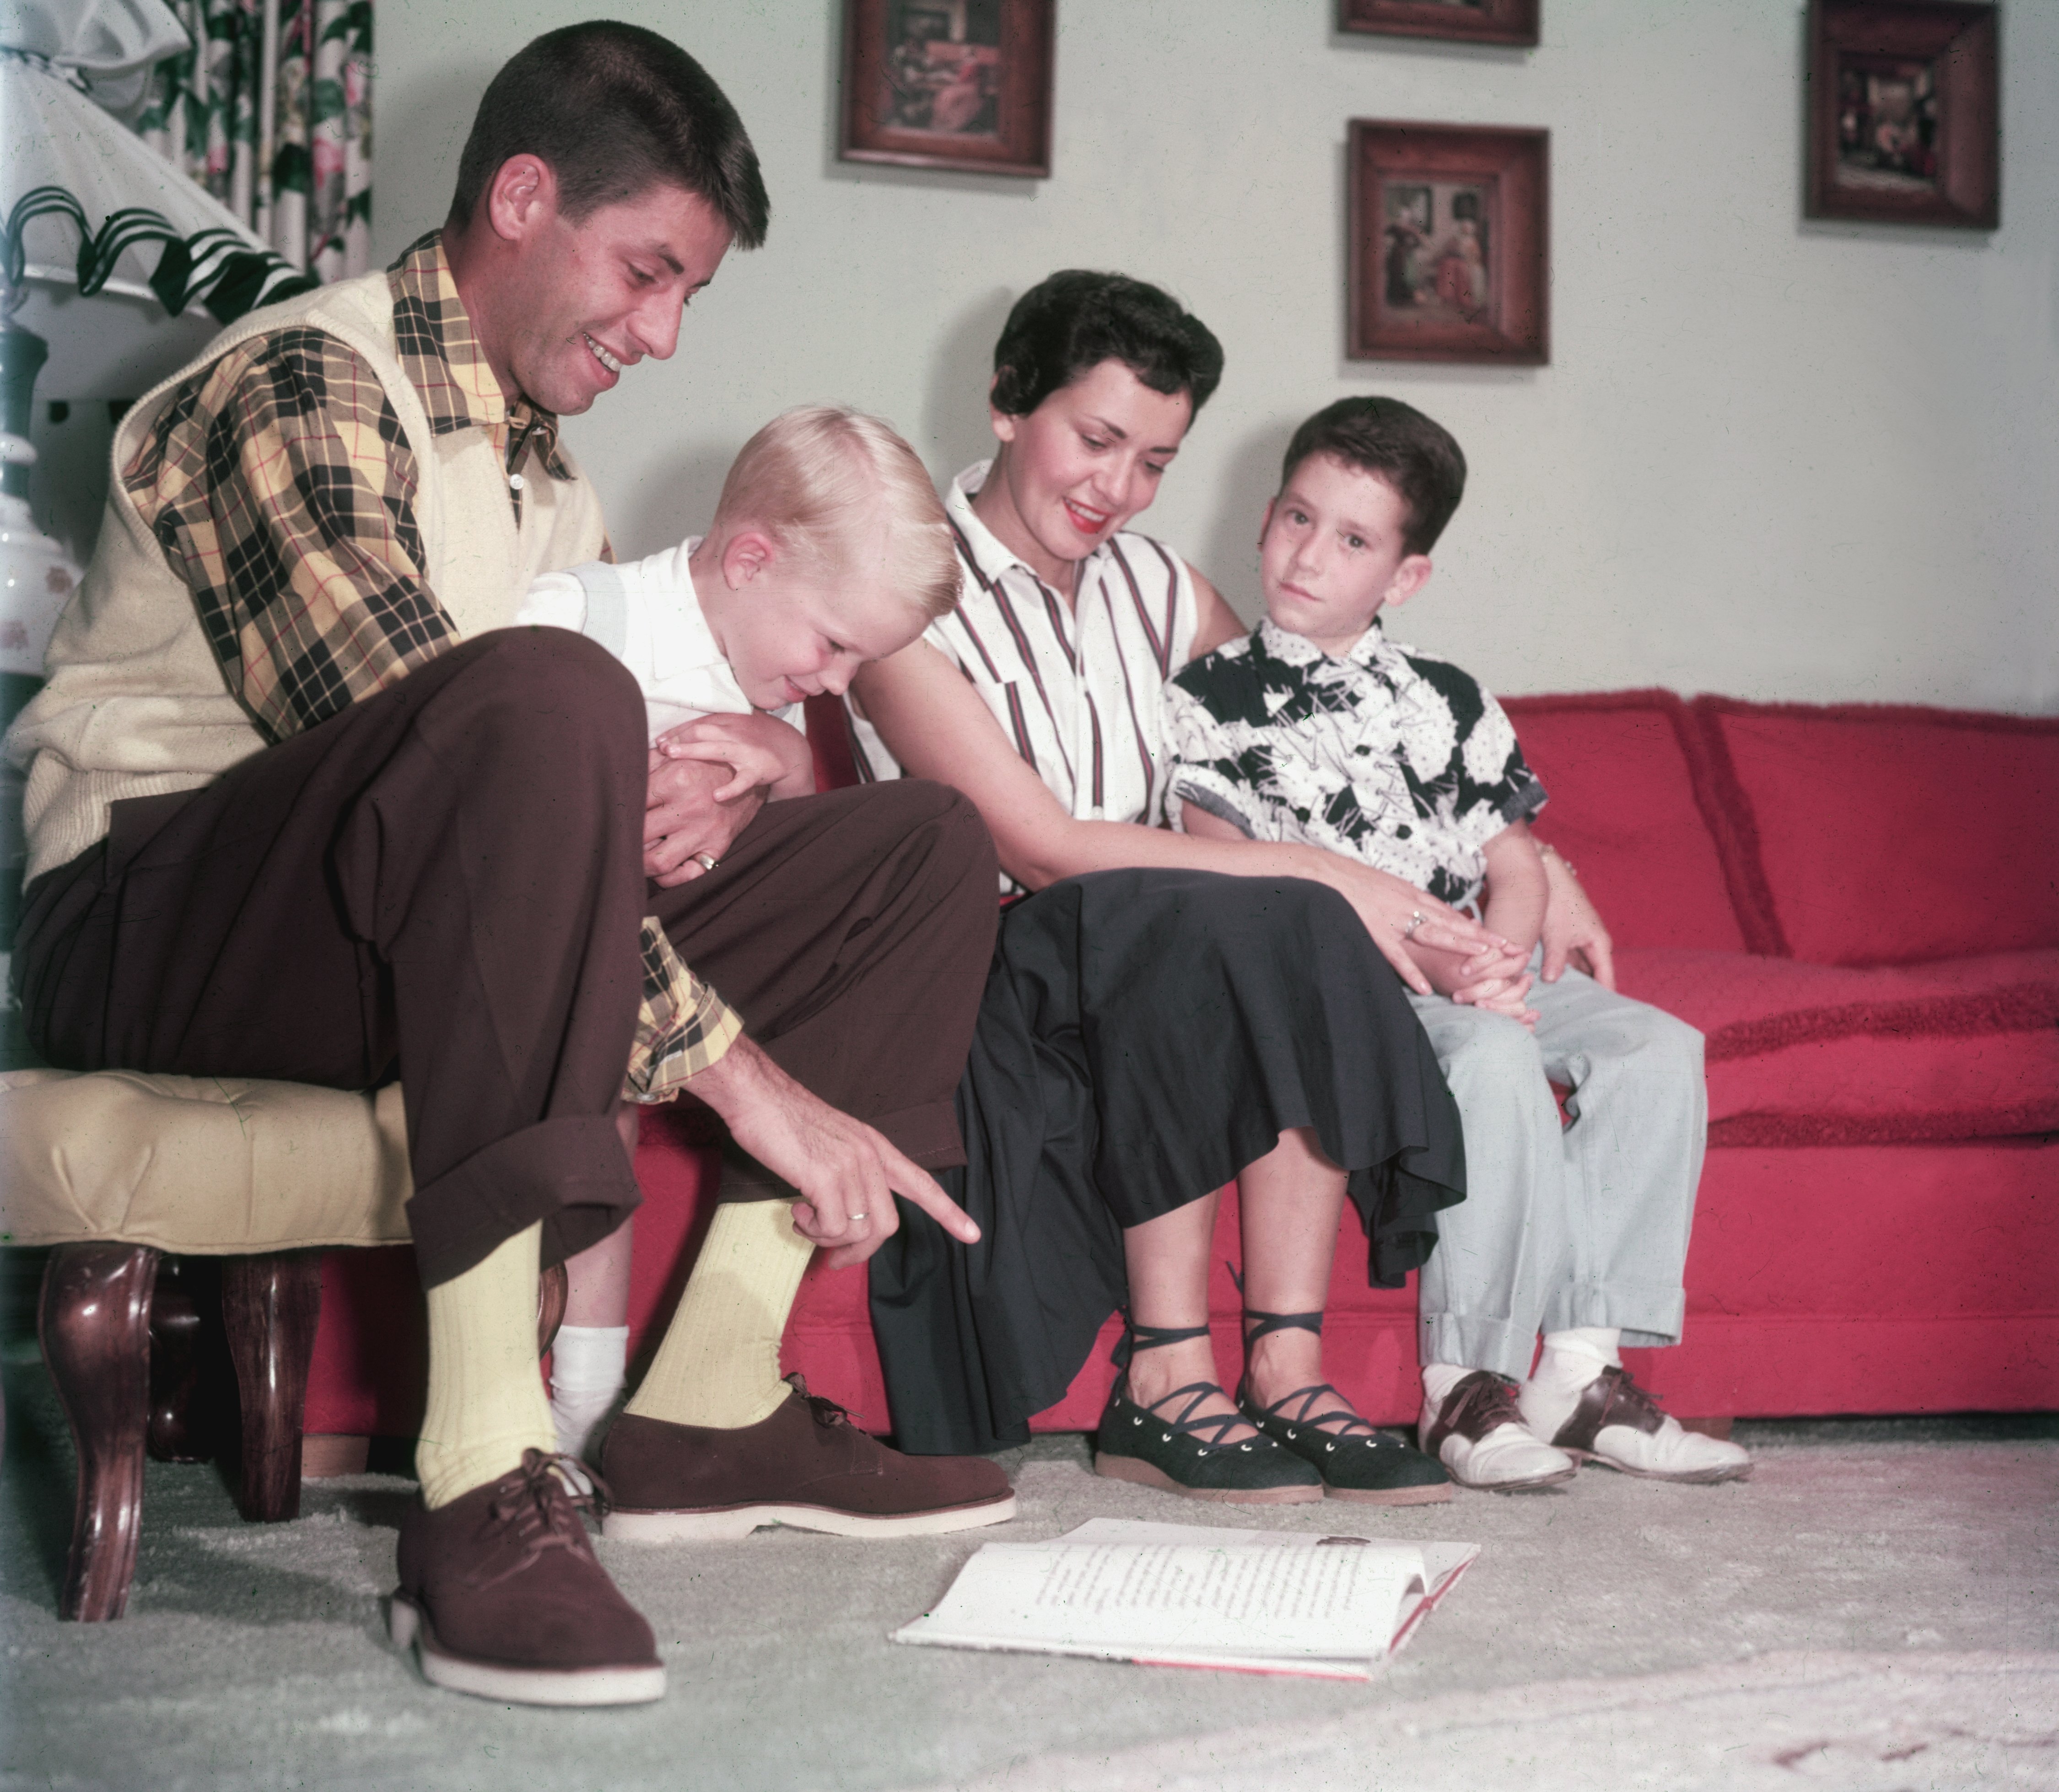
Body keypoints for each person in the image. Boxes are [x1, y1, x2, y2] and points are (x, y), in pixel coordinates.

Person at [6, 25, 1013, 1709]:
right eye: (645, 273)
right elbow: (447, 739)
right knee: (548, 699)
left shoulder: (548, 471)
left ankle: (704, 1408)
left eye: (689, 293)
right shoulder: (303, 383)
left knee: (922, 844)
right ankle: (483, 1471)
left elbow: (556, 811)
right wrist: (748, 1081)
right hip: (158, 908)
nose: (663, 333)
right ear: (523, 197)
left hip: (398, 917)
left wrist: (753, 779)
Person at [847, 270, 1497, 1510]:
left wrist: (1529, 859)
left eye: (1153, 460)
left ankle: (1285, 1363)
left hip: (1161, 955)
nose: (1116, 488)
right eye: (1095, 440)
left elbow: (1310, 739)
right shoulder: (899, 591)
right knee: (1245, 907)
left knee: (1262, 920)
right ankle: (1161, 1374)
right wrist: (1312, 868)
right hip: (986, 971)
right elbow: (1036, 847)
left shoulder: (1157, 588)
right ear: (1003, 404)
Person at [1162, 396, 1753, 1491]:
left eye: (1353, 539)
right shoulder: (1211, 699)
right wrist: (1461, 979)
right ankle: (1464, 1385)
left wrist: (1498, 963)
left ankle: (1580, 1368)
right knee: (1492, 1061)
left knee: (1657, 1047)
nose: (1309, 554)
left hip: (1476, 970)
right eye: (1298, 517)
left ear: (1404, 577)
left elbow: (1516, 862)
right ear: (1262, 519)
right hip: (1353, 981)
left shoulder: (1451, 696)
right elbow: (1227, 864)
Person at [507, 402, 961, 1459]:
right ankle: (583, 1413)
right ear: (750, 558)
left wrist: (780, 765)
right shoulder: (578, 616)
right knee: (606, 1066)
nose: (838, 682)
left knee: (937, 831)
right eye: (835, 645)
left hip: (692, 957)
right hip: (554, 949)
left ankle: (718, 1358)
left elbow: (807, 850)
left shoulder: (776, 676)